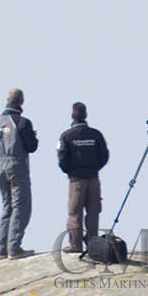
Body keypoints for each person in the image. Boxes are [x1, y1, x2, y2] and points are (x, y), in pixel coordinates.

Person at [0, 87, 39, 259]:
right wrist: (33, 136)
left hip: (0, 165)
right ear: (21, 102)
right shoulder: (23, 122)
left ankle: (1, 248)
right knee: (21, 206)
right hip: (17, 164)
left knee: (6, 206)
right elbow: (32, 146)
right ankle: (14, 248)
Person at [56, 102, 109, 254]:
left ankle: (75, 244)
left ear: (72, 115)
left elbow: (62, 158)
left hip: (76, 179)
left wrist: (71, 172)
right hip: (93, 178)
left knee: (74, 212)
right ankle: (93, 244)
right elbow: (104, 155)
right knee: (93, 212)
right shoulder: (96, 134)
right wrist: (95, 168)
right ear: (85, 115)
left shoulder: (66, 136)